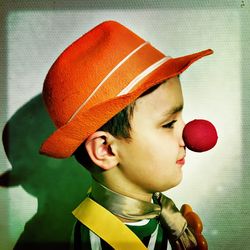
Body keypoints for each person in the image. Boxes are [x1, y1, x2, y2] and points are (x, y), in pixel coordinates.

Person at [40, 20, 213, 249]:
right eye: (169, 123)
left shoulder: (158, 212)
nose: (189, 137)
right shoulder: (97, 242)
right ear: (106, 149)